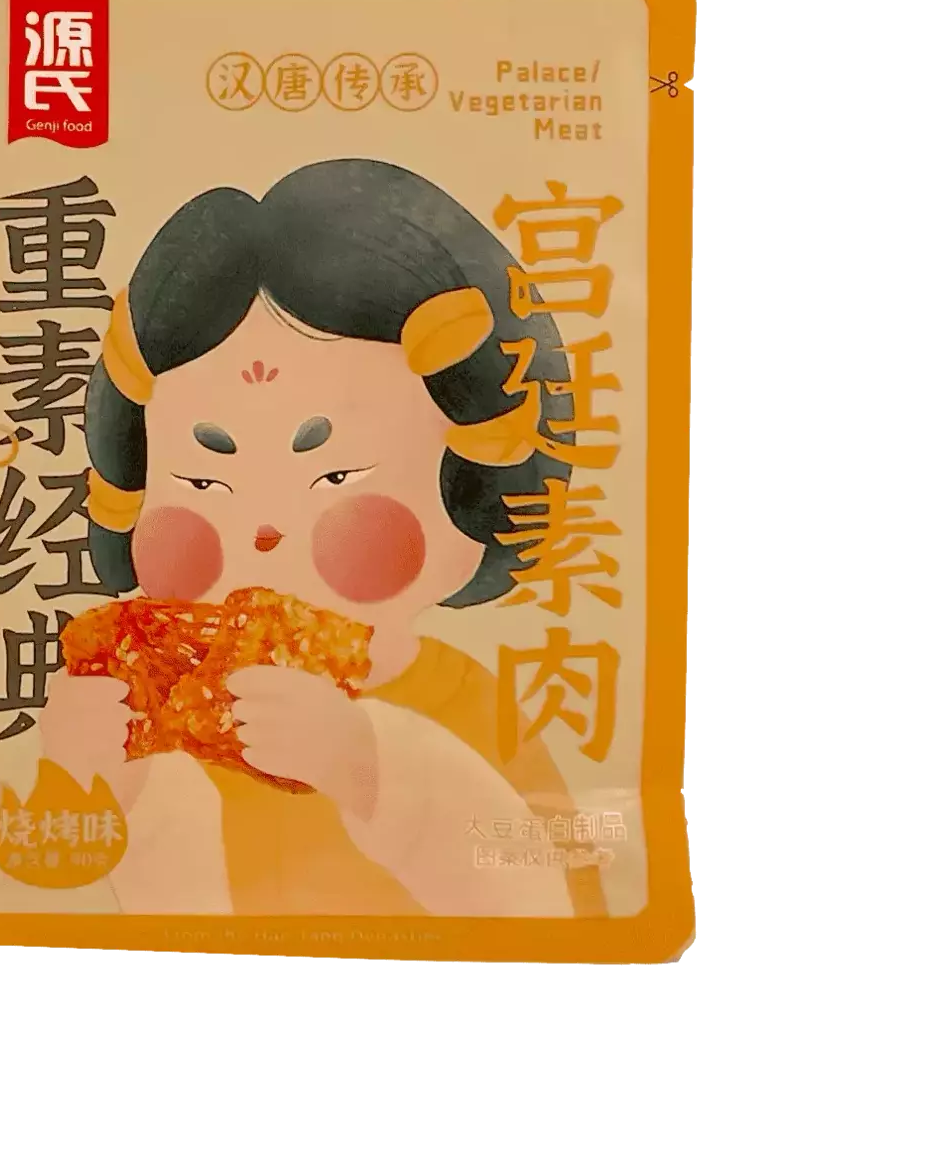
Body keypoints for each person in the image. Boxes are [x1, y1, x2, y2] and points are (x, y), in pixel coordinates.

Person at [33, 158, 608, 916]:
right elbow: (71, 893)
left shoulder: (469, 702)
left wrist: (371, 770)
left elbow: (560, 911)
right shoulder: (155, 709)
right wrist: (94, 785)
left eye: (336, 475)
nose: (265, 531)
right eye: (203, 483)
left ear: (474, 478)